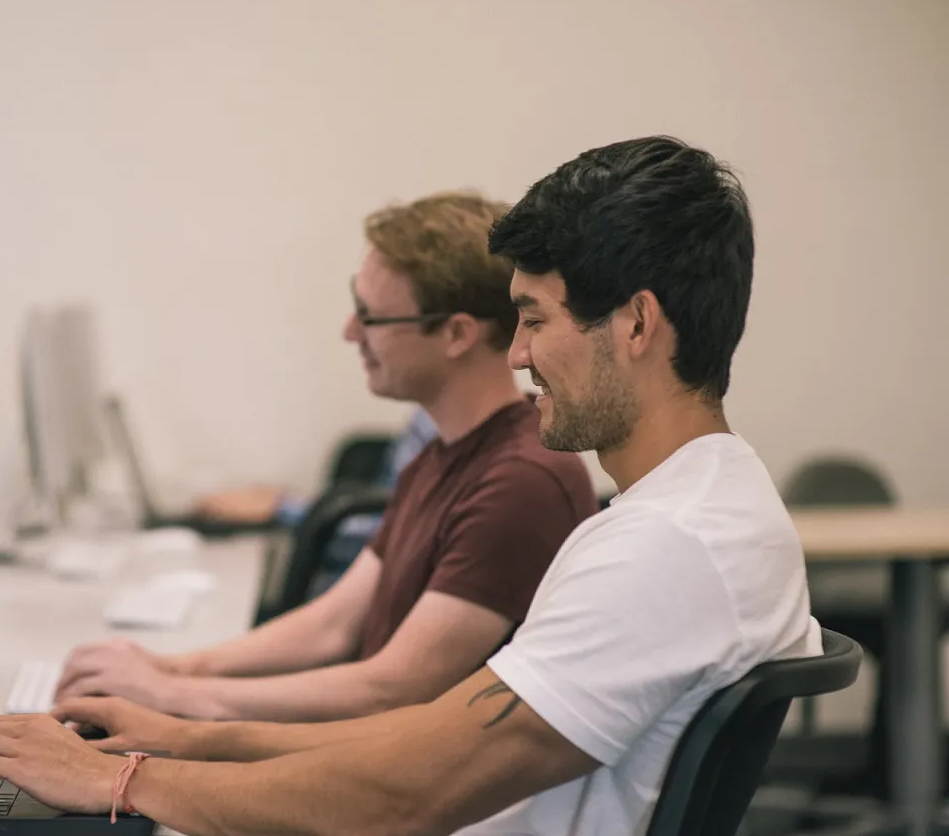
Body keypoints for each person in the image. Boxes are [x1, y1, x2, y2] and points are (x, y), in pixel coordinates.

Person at [0, 135, 819, 836]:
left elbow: (407, 796)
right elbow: (427, 736)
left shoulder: (663, 548)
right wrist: (182, 738)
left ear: (636, 324)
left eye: (533, 318)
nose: (515, 353)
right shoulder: (698, 507)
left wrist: (120, 781)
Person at [55, 191, 597, 722]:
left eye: (371, 317)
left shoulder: (521, 482)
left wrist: (176, 697)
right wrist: (173, 669)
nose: (348, 332)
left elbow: (394, 689)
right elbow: (332, 625)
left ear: (456, 333)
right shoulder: (445, 452)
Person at [196, 407, 439, 577]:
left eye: (372, 328)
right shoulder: (430, 413)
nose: (351, 334)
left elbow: (398, 533)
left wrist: (282, 508)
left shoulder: (446, 429)